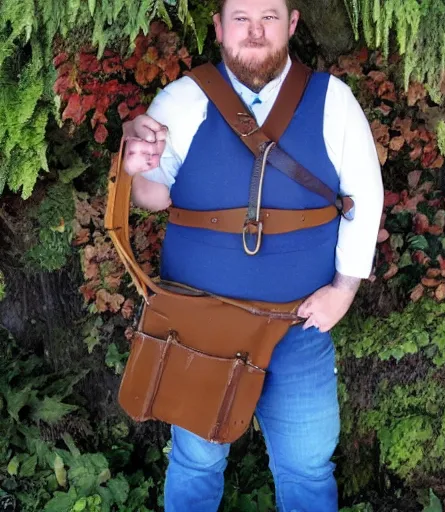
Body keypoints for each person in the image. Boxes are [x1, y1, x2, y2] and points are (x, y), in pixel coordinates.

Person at [122, 0, 383, 510]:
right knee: (195, 461)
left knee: (308, 469)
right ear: (219, 28)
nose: (255, 30)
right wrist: (134, 167)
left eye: (269, 16)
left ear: (292, 24)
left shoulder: (333, 101)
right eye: (241, 18)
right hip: (199, 328)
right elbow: (153, 196)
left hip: (297, 328)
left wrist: (344, 290)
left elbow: (365, 196)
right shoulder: (180, 100)